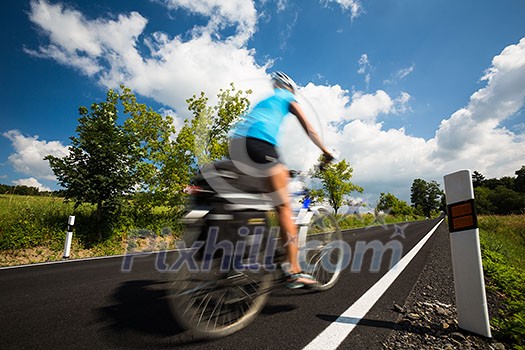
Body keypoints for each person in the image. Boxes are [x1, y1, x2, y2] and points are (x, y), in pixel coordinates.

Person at [229, 71, 333, 288]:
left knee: (254, 200)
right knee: (284, 207)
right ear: (289, 87)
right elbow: (309, 128)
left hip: (237, 146)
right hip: (261, 144)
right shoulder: (287, 97)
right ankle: (294, 270)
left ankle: (243, 251)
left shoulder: (265, 101)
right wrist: (325, 151)